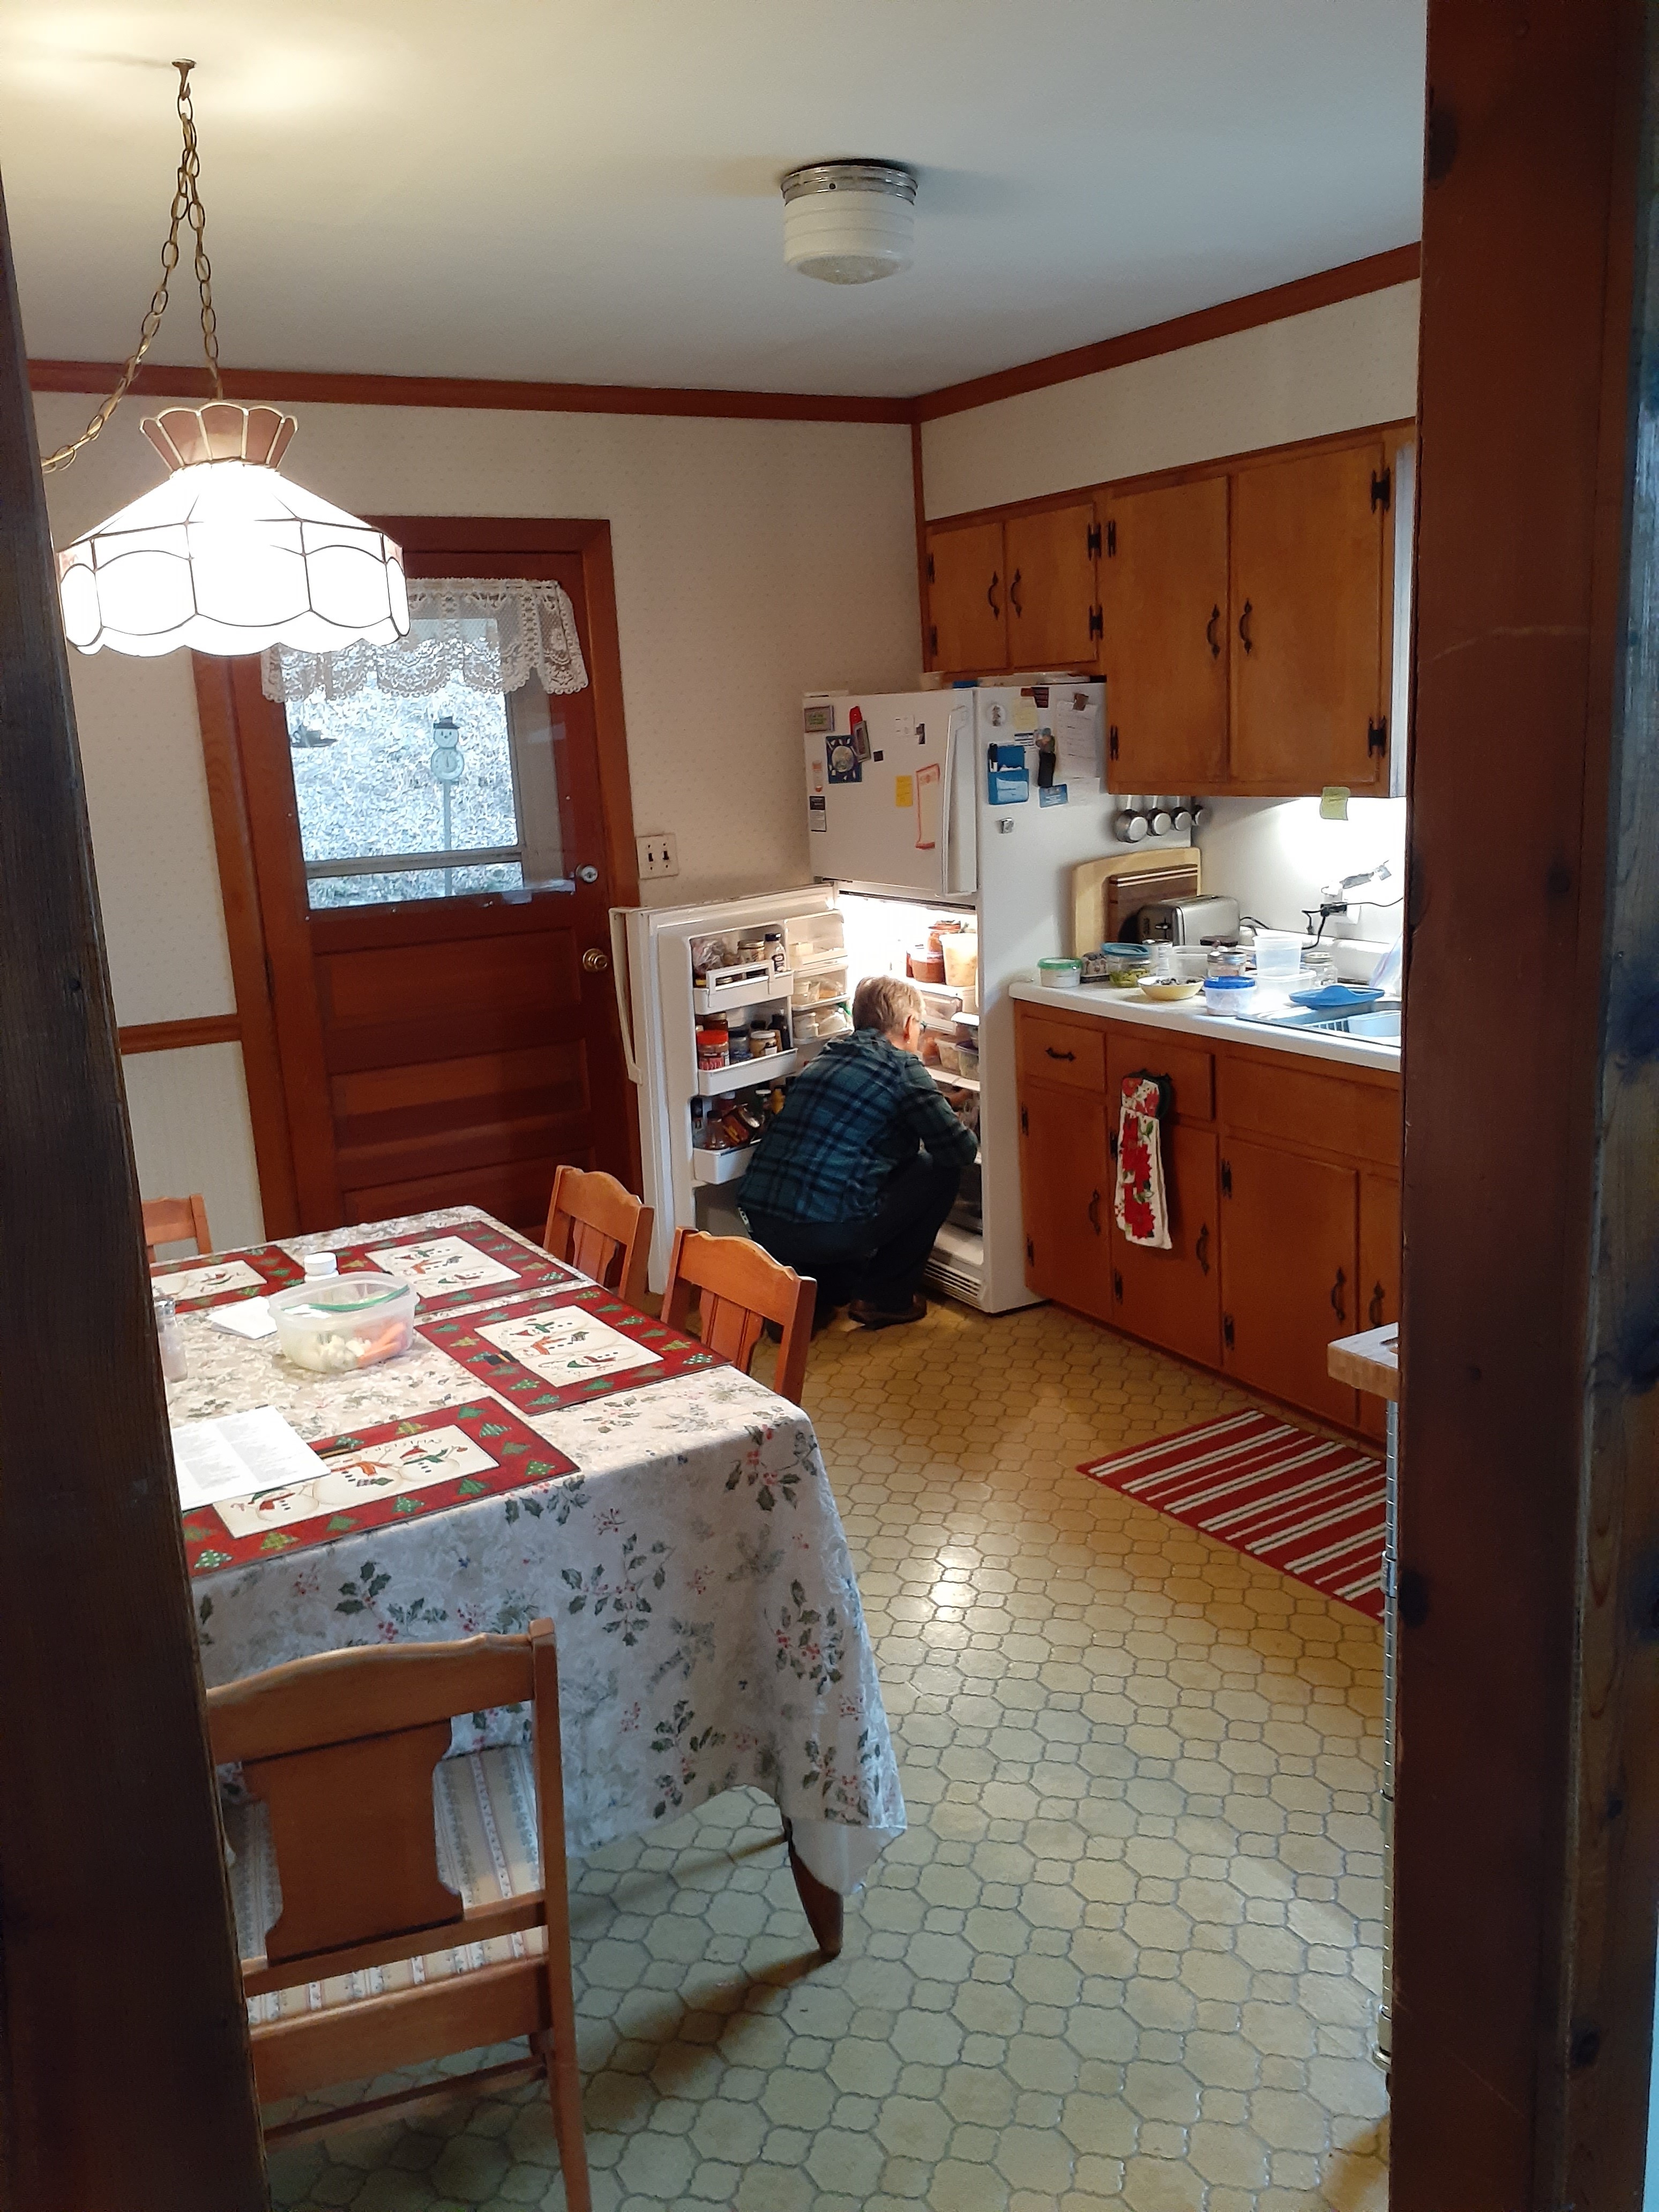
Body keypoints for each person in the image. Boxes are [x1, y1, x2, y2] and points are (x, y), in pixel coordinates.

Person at [738, 974, 979, 1329]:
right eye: (922, 1025)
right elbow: (959, 1151)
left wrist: (939, 1103)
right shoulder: (903, 1067)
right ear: (909, 1025)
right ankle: (884, 1298)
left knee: (836, 1196)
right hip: (826, 1230)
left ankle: (802, 1295)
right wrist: (956, 1119)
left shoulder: (828, 1055)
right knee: (937, 1171)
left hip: (760, 1221)